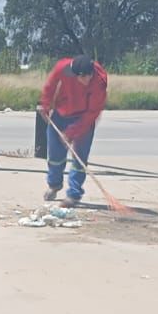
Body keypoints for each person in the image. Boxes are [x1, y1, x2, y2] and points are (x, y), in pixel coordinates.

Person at [39, 55, 108, 206]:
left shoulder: (99, 82)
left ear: (91, 73)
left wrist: (72, 132)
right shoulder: (62, 68)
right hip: (60, 114)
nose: (85, 81)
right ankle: (54, 184)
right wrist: (44, 105)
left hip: (83, 118)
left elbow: (93, 112)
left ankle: (74, 194)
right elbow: (50, 86)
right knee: (55, 155)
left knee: (79, 159)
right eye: (81, 78)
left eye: (88, 77)